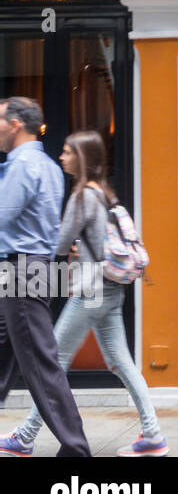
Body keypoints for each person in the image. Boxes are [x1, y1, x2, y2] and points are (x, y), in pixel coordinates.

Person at [2, 130, 167, 457]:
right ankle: (153, 434)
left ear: (82, 158)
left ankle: (25, 436)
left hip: (90, 291)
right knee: (121, 362)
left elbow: (59, 245)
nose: (61, 157)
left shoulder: (82, 197)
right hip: (110, 289)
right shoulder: (104, 192)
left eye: (66, 152)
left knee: (52, 361)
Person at [0, 97, 90, 457]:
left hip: (20, 269)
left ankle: (75, 447)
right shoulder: (47, 165)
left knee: (40, 361)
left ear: (15, 124)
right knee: (6, 351)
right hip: (31, 266)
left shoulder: (22, 166)